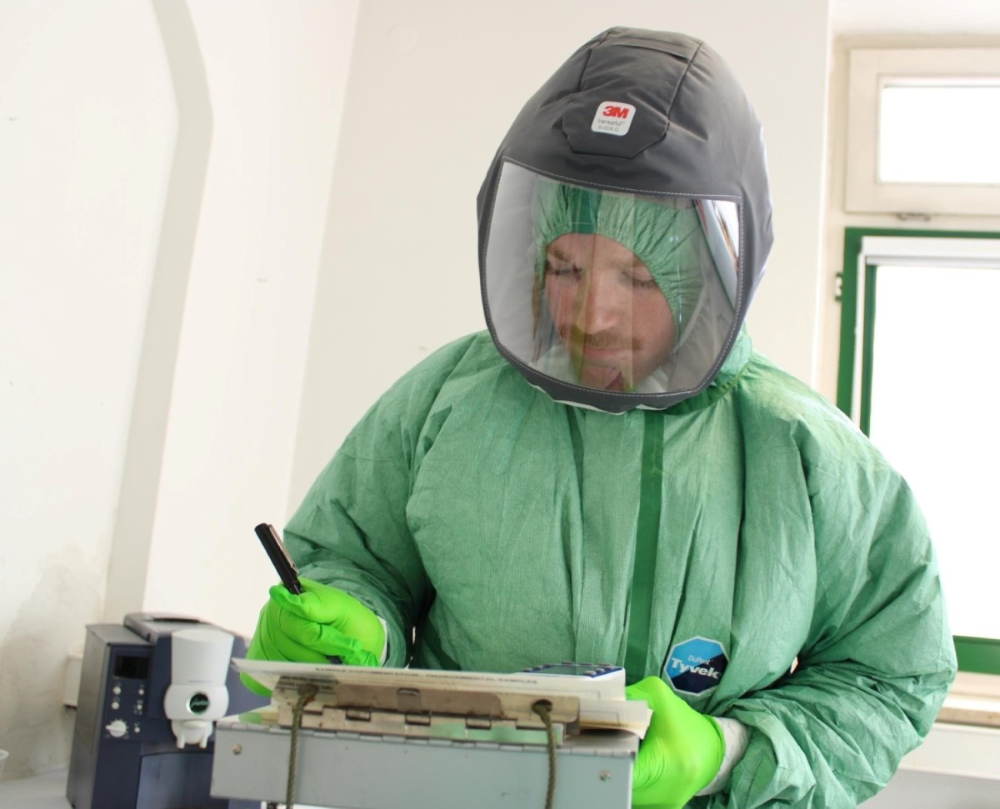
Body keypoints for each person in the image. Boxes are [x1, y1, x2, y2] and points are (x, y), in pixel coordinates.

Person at [243, 27, 956, 808]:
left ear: (714, 278)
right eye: (565, 267)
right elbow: (353, 561)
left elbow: (891, 673)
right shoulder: (450, 397)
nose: (591, 316)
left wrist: (730, 750)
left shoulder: (811, 455)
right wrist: (354, 628)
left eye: (639, 276)